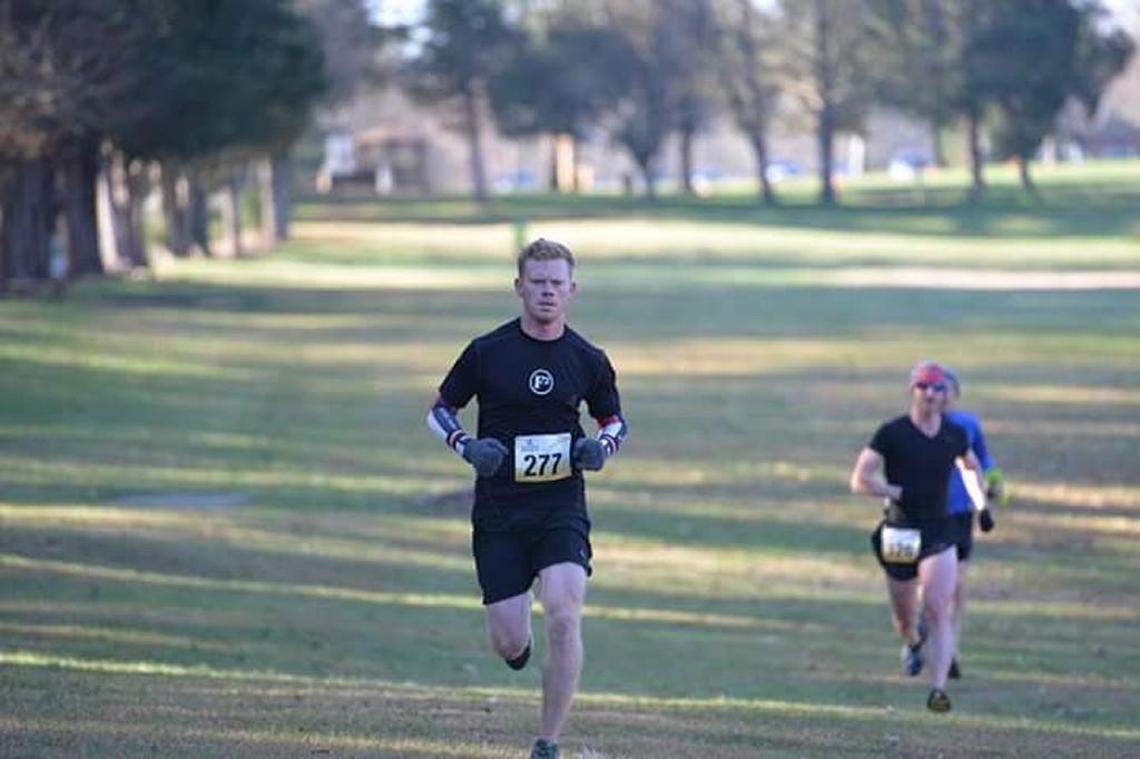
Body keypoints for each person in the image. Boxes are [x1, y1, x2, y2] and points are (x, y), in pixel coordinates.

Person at [426, 238, 628, 759]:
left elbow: (614, 421)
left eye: (557, 283)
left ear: (572, 290)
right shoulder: (487, 352)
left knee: (565, 612)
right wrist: (467, 446)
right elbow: (439, 409)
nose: (547, 292)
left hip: (560, 506)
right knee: (509, 641)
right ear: (519, 287)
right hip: (500, 511)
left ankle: (547, 741)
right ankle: (518, 647)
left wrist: (599, 448)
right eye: (538, 282)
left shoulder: (588, 359)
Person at [849, 361, 986, 712]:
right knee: (905, 617)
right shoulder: (892, 433)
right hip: (900, 531)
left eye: (937, 387)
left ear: (946, 394)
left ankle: (938, 689)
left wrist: (981, 504)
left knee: (938, 606)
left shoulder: (954, 435)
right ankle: (912, 642)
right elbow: (860, 479)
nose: (930, 393)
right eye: (924, 386)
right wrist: (894, 491)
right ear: (912, 390)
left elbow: (971, 469)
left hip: (939, 529)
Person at [940, 366, 1004, 680]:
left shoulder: (967, 425)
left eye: (945, 388)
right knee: (929, 584)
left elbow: (984, 459)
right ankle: (919, 636)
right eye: (931, 388)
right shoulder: (915, 427)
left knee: (956, 584)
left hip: (960, 512)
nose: (938, 394)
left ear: (955, 394)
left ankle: (951, 647)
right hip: (926, 514)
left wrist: (994, 483)